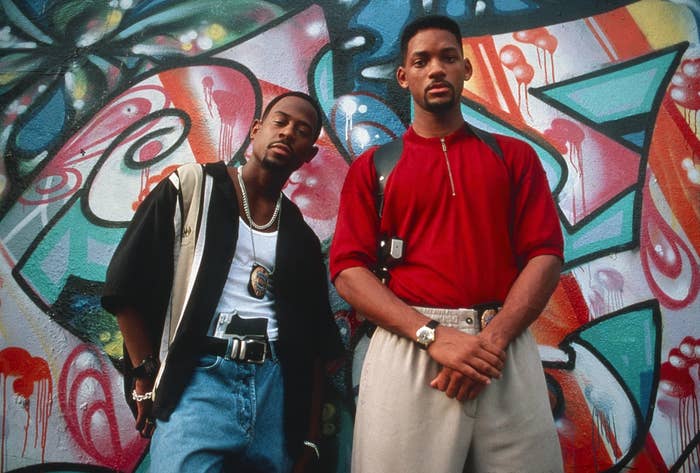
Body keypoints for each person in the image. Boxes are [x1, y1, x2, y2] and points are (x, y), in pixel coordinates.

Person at [330, 15, 565, 473]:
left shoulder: (513, 157)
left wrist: (488, 344)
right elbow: (348, 272)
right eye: (422, 61)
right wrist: (434, 336)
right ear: (404, 76)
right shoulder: (373, 168)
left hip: (503, 348)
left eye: (448, 57)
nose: (436, 68)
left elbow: (545, 254)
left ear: (466, 68)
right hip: (411, 348)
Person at [102, 91, 344, 473]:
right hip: (198, 379)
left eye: (301, 131)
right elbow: (123, 285)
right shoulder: (191, 187)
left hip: (273, 391)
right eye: (280, 122)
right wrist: (144, 378)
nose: (287, 133)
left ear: (308, 154)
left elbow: (314, 345)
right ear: (256, 129)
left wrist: (310, 439)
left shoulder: (300, 237)